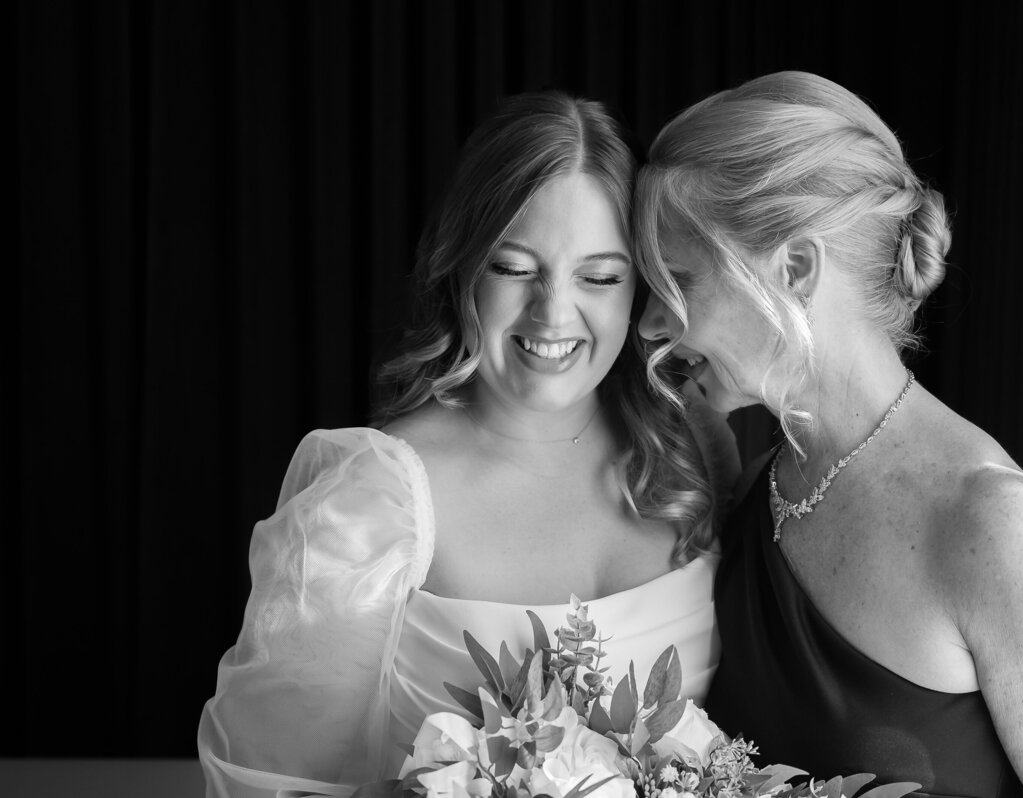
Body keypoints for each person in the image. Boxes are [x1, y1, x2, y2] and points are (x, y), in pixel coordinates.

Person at [199, 91, 731, 798]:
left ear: (639, 287)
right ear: (463, 266)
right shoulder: (375, 500)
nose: (554, 312)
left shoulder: (697, 451)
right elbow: (269, 781)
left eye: (599, 277)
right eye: (515, 268)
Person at [635, 72, 1023, 798]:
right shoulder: (752, 492)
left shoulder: (994, 529)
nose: (651, 323)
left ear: (796, 269)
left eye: (677, 280)